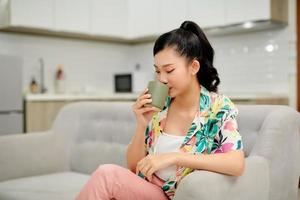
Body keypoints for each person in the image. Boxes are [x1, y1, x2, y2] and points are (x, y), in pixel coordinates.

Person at [75, 20, 245, 200]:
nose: (162, 79)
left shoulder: (218, 107)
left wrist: (174, 157)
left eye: (169, 70)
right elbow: (134, 168)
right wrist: (141, 124)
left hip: (178, 196)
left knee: (106, 175)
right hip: (149, 189)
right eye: (157, 71)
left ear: (193, 67)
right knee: (106, 179)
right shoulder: (161, 105)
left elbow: (236, 163)